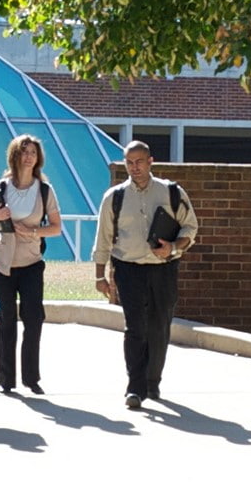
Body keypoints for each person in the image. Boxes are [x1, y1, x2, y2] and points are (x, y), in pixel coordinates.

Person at [92, 140, 198, 409]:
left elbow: (190, 228)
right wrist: (99, 276)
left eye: (139, 161)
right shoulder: (114, 197)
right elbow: (102, 239)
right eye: (129, 162)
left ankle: (153, 381)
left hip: (163, 269)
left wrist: (173, 247)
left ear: (151, 161)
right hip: (128, 269)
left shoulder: (172, 192)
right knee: (135, 328)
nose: (134, 167)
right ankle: (135, 387)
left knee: (159, 327)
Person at [0, 134, 62, 395]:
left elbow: (57, 228)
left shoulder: (45, 190)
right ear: (14, 155)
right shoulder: (0, 187)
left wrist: (35, 232)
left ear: (38, 159)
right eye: (24, 152)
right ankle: (6, 380)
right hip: (2, 264)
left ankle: (31, 378)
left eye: (33, 153)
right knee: (6, 321)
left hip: (31, 263)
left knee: (34, 319)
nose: (28, 157)